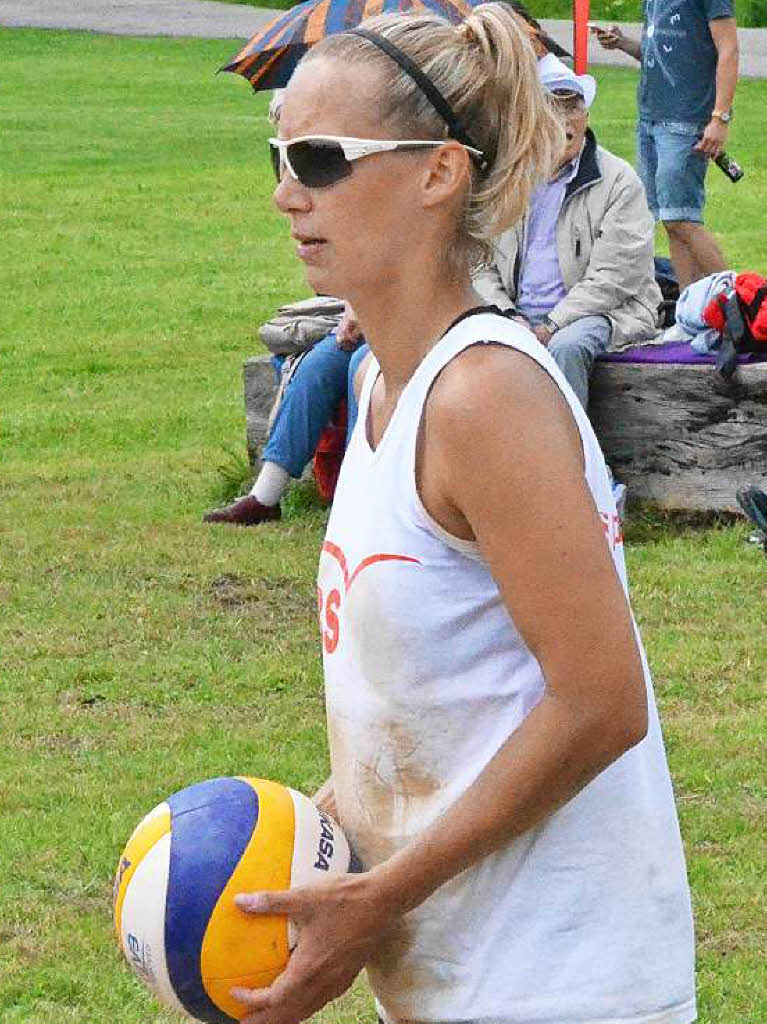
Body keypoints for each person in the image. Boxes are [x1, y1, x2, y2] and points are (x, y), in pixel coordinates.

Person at [231, 7, 696, 1024]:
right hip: (460, 983)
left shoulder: (485, 396)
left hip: (561, 986)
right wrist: (308, 834)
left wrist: (380, 896)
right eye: (278, 154)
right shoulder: (380, 385)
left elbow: (601, 702)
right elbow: (439, 703)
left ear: (439, 173)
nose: (284, 192)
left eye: (319, 157)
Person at [473, 54, 662, 412]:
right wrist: (507, 314)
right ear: (531, 121)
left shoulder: (618, 181)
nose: (565, 121)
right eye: (552, 109)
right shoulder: (509, 180)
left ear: (586, 116)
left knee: (568, 346)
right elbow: (478, 263)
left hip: (607, 313)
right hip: (518, 314)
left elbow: (614, 279)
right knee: (477, 343)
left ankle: (574, 461)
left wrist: (550, 324)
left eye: (573, 108)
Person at [592, 1, 739, 292]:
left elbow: (729, 50)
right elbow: (658, 52)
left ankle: (741, 301)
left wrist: (720, 117)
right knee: (671, 219)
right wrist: (621, 43)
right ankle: (690, 311)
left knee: (682, 219)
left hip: (686, 119)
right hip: (650, 118)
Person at [203, 304, 367, 525]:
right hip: (367, 320)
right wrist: (352, 311)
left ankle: (357, 501)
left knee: (362, 368)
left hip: (413, 328)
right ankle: (265, 498)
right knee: (314, 368)